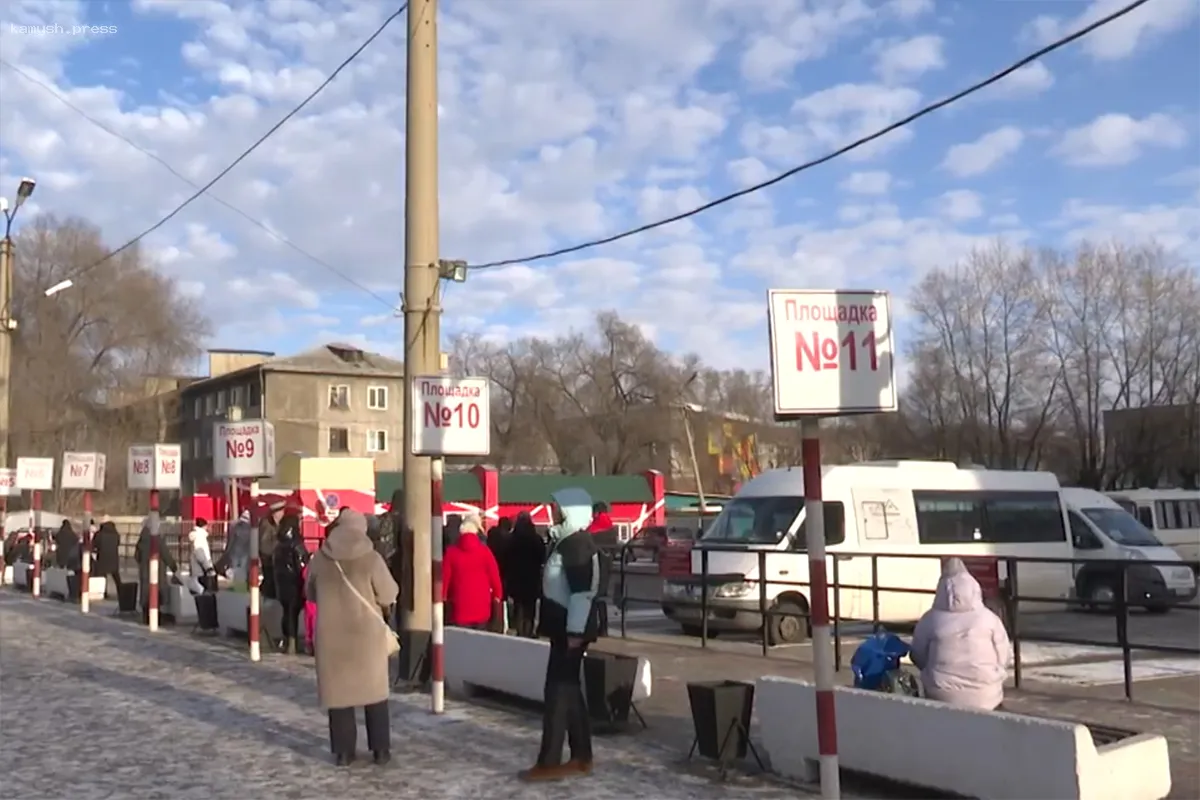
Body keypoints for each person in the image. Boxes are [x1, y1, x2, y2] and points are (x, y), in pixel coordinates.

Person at [306, 509, 399, 767]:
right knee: (375, 694)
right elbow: (389, 593)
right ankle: (380, 750)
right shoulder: (371, 558)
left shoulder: (320, 559)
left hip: (332, 637)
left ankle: (344, 752)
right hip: (366, 636)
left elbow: (310, 593)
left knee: (339, 697)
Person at [520, 488, 602, 782]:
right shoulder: (564, 541)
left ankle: (550, 761)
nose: (552, 511)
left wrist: (575, 632)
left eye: (557, 507)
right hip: (564, 629)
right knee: (568, 691)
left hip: (570, 631)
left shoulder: (577, 545)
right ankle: (581, 756)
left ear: (570, 511)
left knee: (557, 692)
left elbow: (583, 593)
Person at [910, 558, 1012, 711]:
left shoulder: (930, 619)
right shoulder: (989, 618)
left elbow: (917, 655)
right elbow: (1004, 657)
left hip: (941, 696)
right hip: (987, 697)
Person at [442, 514, 504, 630]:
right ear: (476, 533)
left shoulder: (451, 553)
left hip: (459, 608)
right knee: (480, 644)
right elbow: (495, 578)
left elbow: (445, 580)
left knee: (462, 644)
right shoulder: (485, 552)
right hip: (482, 608)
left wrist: (444, 598)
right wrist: (497, 595)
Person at [506, 512, 546, 638]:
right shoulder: (536, 539)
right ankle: (528, 631)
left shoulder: (512, 539)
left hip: (516, 576)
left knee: (519, 605)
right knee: (530, 607)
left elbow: (507, 557)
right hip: (532, 577)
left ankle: (519, 630)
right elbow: (542, 557)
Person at [134, 517, 179, 625]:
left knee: (145, 593)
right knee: (156, 593)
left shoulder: (141, 539)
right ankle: (155, 618)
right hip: (157, 570)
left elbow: (136, 556)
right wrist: (174, 567)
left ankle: (145, 617)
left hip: (144, 571)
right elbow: (166, 554)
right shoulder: (157, 539)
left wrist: (143, 563)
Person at [273, 513, 307, 654]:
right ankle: (292, 643)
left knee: (287, 613)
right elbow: (302, 565)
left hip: (282, 585)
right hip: (295, 583)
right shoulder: (296, 545)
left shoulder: (279, 545)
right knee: (293, 613)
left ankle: (286, 640)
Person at [92, 520, 122, 598]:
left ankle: (104, 592)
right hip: (113, 558)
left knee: (102, 576)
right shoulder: (116, 534)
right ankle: (121, 591)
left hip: (102, 558)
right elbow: (118, 543)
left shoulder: (99, 534)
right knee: (116, 577)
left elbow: (94, 544)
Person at [185, 518, 216, 595]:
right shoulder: (200, 536)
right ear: (204, 526)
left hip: (197, 568)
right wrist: (208, 567)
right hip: (202, 569)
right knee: (203, 593)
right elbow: (200, 552)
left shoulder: (197, 536)